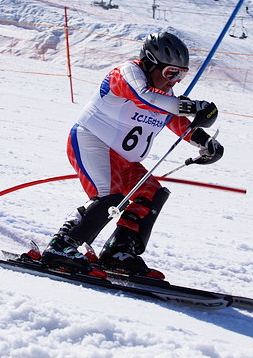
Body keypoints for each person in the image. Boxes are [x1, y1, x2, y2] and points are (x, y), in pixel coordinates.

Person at [41, 32, 224, 277]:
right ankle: (62, 246)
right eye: (172, 73)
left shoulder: (165, 97)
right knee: (109, 196)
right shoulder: (126, 73)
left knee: (152, 194)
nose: (176, 81)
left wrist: (205, 141)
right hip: (92, 143)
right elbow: (142, 96)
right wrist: (192, 106)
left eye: (182, 75)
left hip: (126, 159)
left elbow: (174, 120)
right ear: (150, 62)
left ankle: (120, 250)